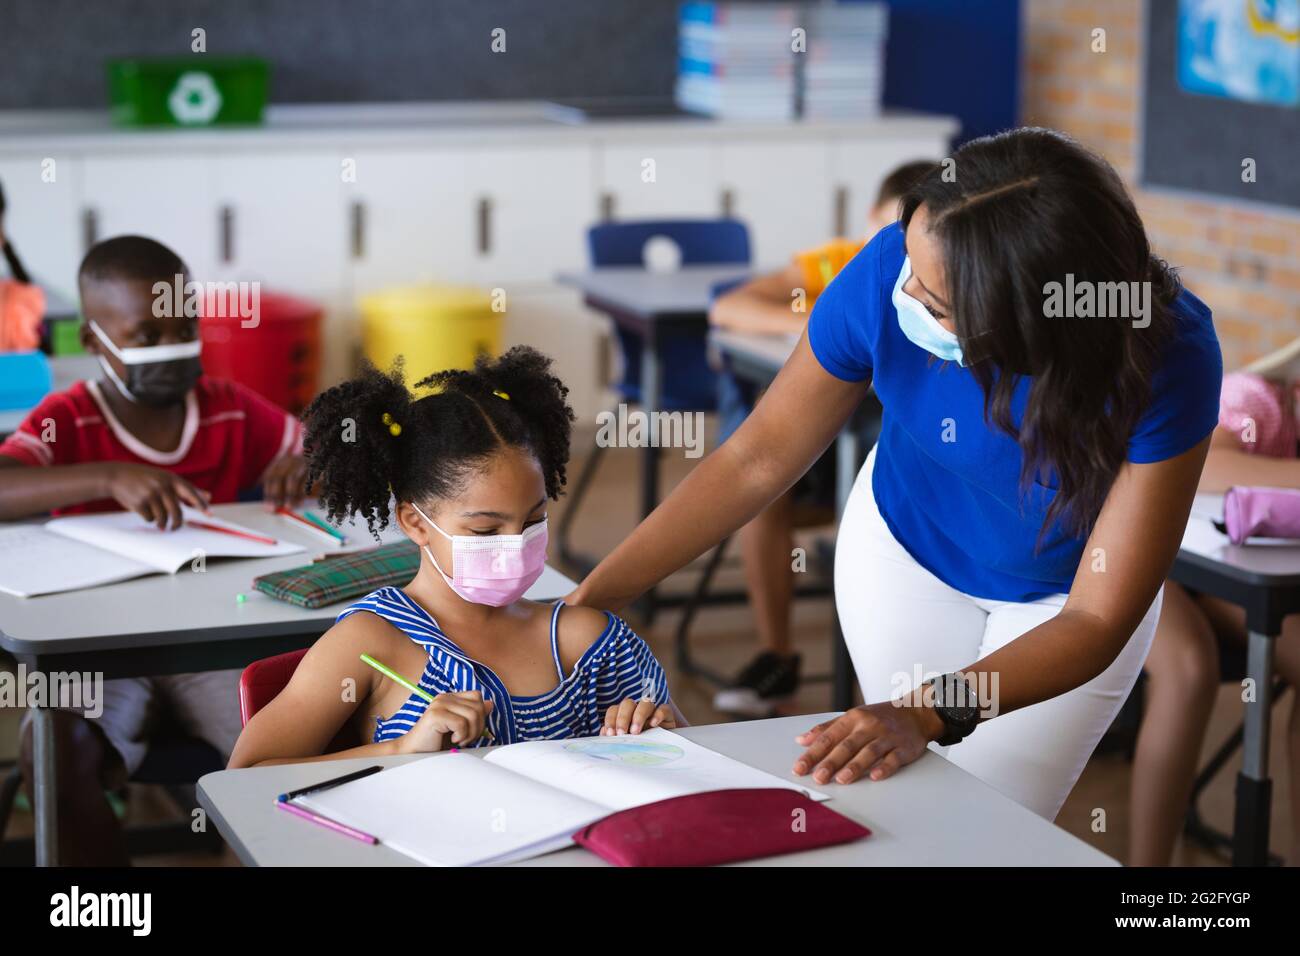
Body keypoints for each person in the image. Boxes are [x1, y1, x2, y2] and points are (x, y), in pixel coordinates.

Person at [567, 127, 1222, 820]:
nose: (903, 290)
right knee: (898, 806)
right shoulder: (893, 268)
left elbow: (1096, 617)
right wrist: (597, 597)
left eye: (937, 303)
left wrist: (926, 712)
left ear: (1026, 324)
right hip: (903, 550)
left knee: (986, 829)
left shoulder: (1168, 359)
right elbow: (757, 459)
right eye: (908, 262)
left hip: (1057, 611)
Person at [1, 235, 309, 865]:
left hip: (214, 637)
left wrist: (308, 467)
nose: (174, 347)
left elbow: (323, 448)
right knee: (52, 743)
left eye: (185, 325)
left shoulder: (227, 408)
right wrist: (107, 476)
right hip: (102, 647)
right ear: (93, 342)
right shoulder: (70, 417)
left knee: (291, 744)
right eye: (146, 334)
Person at [230, 347, 683, 768]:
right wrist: (401, 749)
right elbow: (245, 775)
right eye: (485, 530)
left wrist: (660, 736)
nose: (515, 543)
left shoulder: (589, 642)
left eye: (533, 520)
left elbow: (689, 753)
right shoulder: (370, 642)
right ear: (415, 522)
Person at [708, 160, 935, 716]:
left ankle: (889, 695)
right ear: (869, 220)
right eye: (889, 230)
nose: (898, 249)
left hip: (903, 457)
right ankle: (777, 656)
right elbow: (727, 305)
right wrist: (828, 323)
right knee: (764, 500)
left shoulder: (943, 278)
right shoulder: (837, 264)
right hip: (821, 452)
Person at [1129, 336, 1300, 865]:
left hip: (1226, 579)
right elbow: (1203, 466)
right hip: (1139, 558)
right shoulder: (1258, 401)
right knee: (1189, 668)